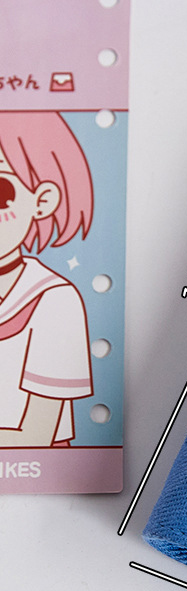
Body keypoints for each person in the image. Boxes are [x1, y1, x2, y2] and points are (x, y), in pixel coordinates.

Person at [0, 112, 93, 447]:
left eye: (1, 192)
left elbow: (37, 435)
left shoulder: (53, 298)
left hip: (32, 464)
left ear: (42, 201)